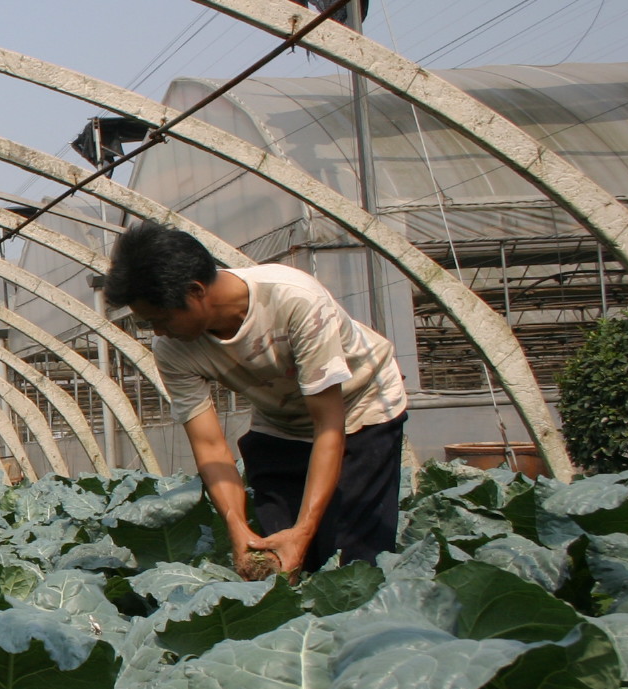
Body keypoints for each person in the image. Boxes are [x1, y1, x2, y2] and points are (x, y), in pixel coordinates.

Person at [103, 220, 409, 575]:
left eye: (161, 318)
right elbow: (211, 448)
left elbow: (329, 424)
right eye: (146, 324)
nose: (157, 331)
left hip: (360, 408)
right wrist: (236, 525)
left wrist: (305, 530)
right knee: (277, 554)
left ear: (195, 291)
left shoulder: (293, 299)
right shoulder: (172, 350)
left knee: (352, 559)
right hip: (280, 421)